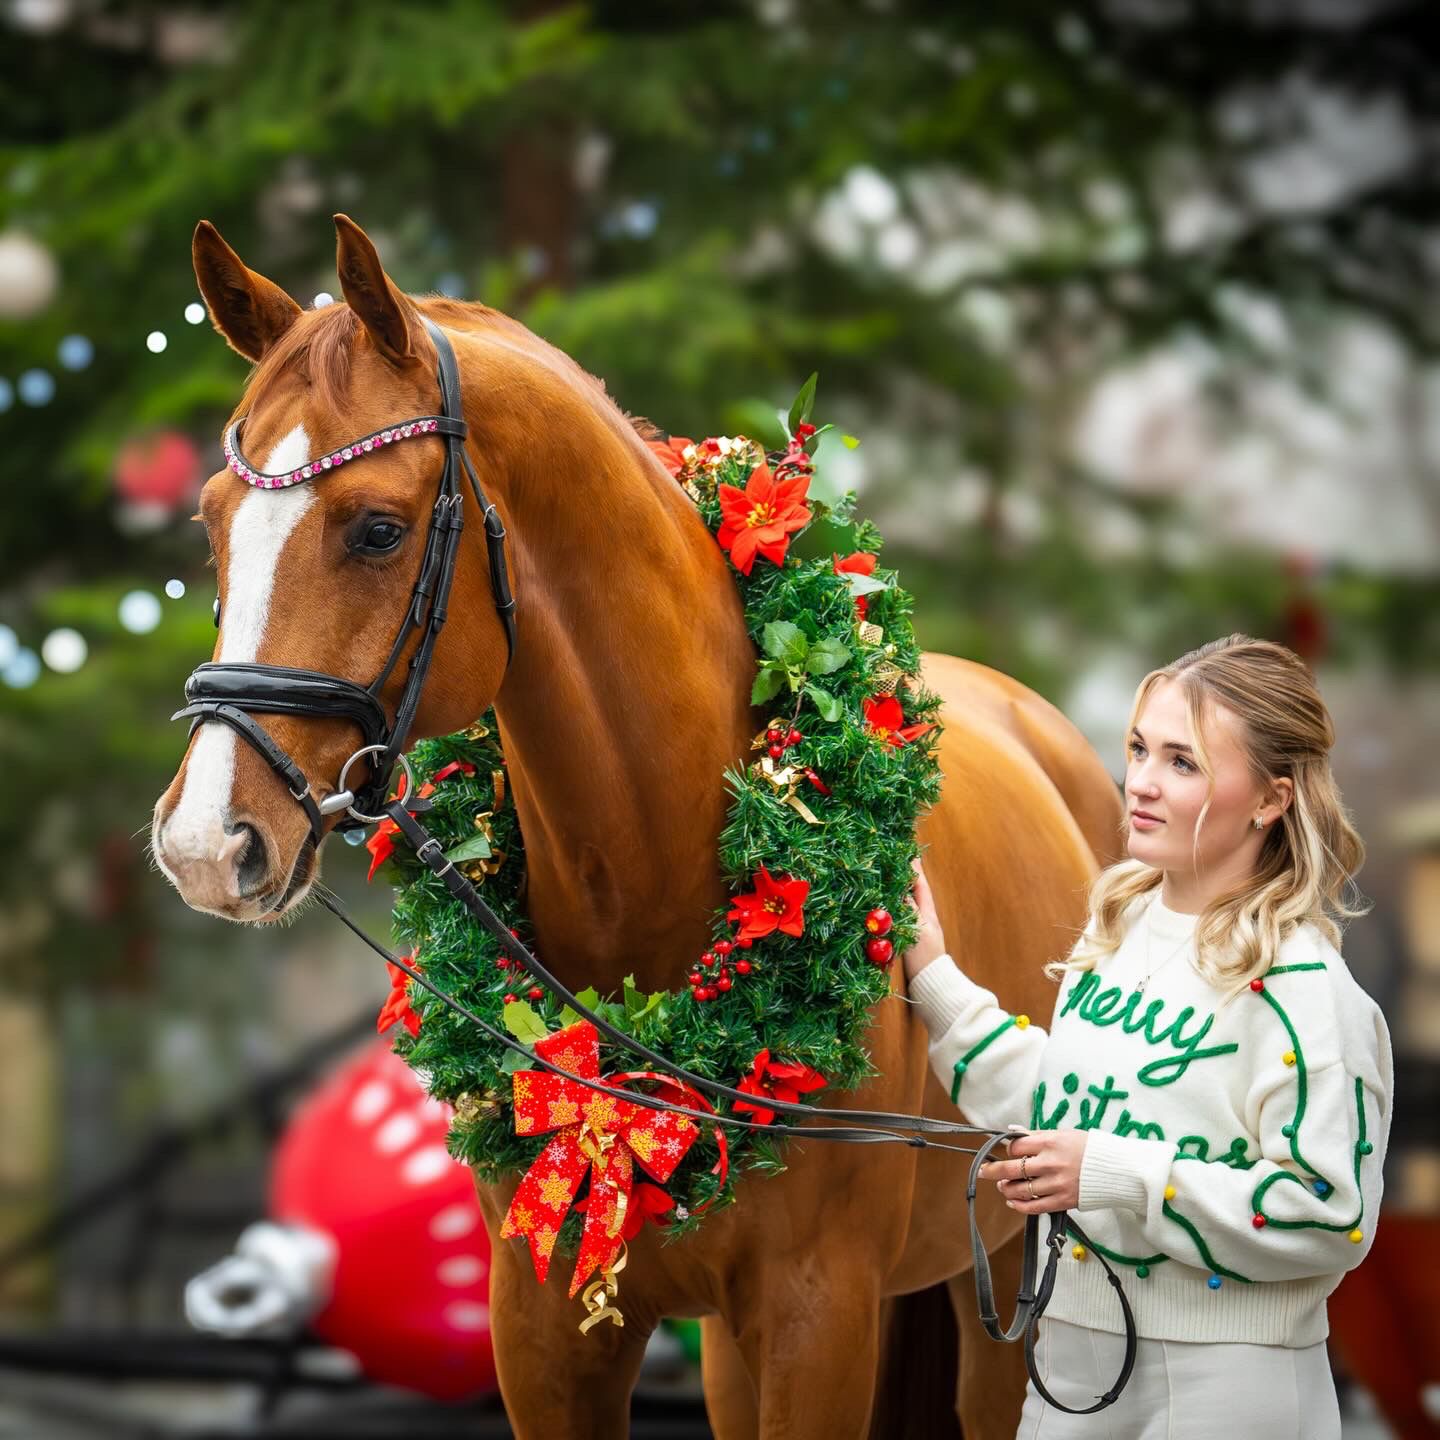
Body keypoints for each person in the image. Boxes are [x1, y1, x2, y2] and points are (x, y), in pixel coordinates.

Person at [902, 634, 1393, 1438]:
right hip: (1068, 1365)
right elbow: (1065, 1104)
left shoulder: (1307, 991)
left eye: (1183, 763)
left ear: (1270, 800)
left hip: (1228, 1386)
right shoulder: (1119, 933)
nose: (1141, 783)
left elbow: (1327, 1213)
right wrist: (933, 976)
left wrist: (1114, 1173)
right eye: (1139, 749)